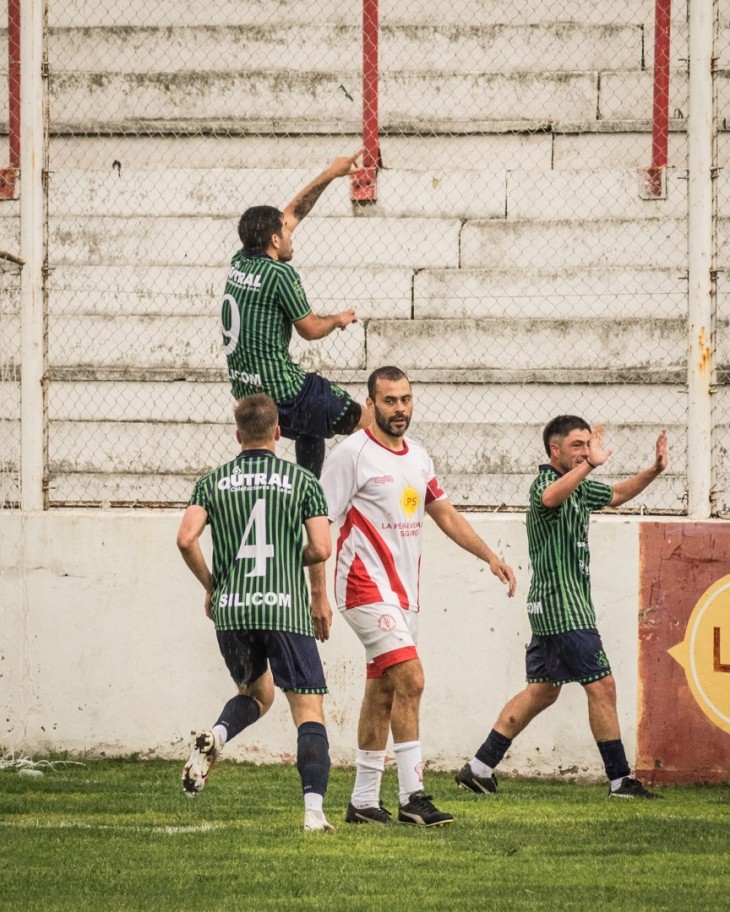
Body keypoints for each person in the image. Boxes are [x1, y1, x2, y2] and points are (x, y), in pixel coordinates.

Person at [312, 366, 517, 827]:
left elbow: (444, 513)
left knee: (383, 691)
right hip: (362, 585)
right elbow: (319, 524)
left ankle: (363, 802)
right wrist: (318, 594)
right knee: (413, 680)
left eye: (405, 399)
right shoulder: (351, 454)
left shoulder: (418, 457)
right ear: (371, 404)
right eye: (389, 400)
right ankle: (413, 796)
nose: (399, 408)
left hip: (404, 594)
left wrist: (488, 555)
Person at [456, 416, 669, 800]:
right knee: (602, 685)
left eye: (588, 444)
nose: (585, 451)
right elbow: (550, 497)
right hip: (564, 608)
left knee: (542, 691)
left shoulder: (580, 489)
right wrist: (591, 464)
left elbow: (618, 494)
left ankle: (479, 767)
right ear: (554, 450)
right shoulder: (545, 484)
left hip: (553, 609)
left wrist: (653, 470)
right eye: (577, 445)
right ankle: (621, 781)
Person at [177, 393, 337, 831]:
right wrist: (296, 565)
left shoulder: (211, 482)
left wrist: (213, 586)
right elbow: (322, 547)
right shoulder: (302, 481)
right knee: (307, 710)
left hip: (232, 610)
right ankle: (313, 813)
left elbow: (186, 539)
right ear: (277, 432)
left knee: (256, 695)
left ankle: (218, 736)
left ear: (237, 435)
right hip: (283, 609)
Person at [220, 150, 370, 478]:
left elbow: (291, 214)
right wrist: (338, 319)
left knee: (310, 430)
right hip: (283, 396)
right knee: (364, 419)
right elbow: (311, 329)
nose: (290, 234)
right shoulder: (280, 275)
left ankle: (310, 495)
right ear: (274, 239)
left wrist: (332, 172)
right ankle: (376, 492)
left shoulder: (240, 261)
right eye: (285, 232)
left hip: (247, 395)